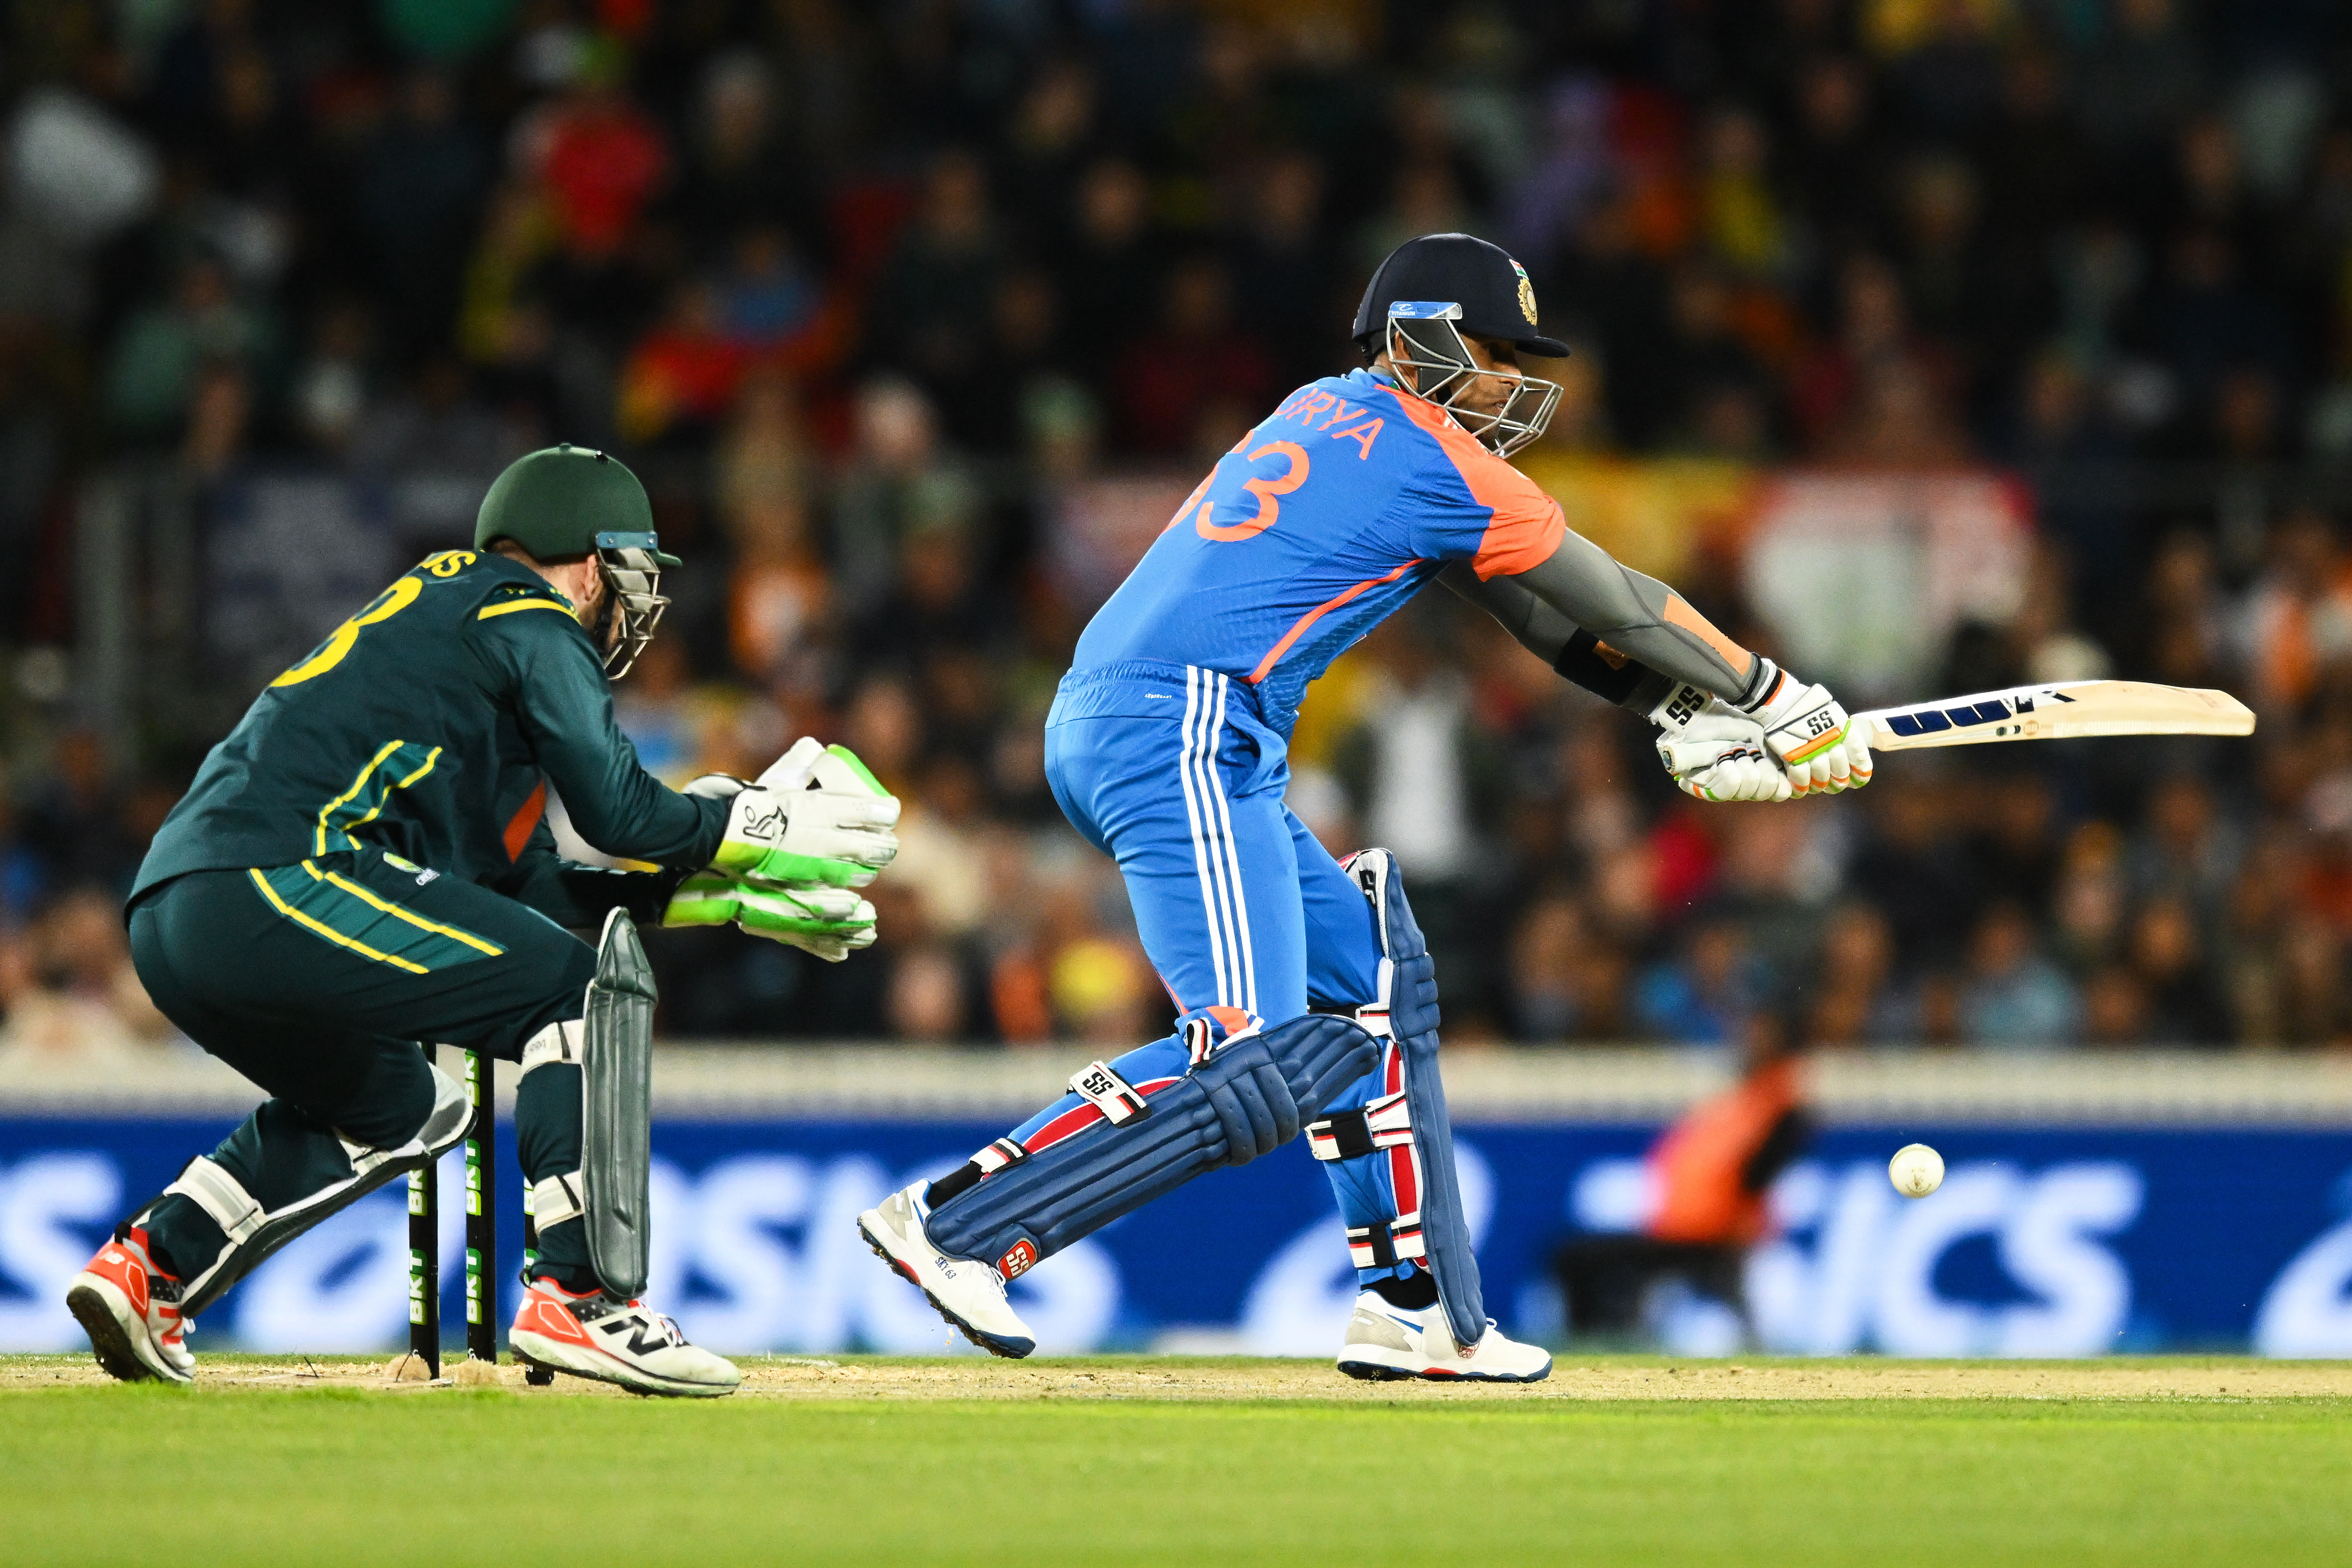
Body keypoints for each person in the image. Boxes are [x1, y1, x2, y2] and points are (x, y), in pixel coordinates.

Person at [860, 233, 1870, 1380]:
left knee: (1373, 990)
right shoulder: (1427, 453)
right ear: (1421, 338)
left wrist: (1676, 707)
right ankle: (958, 1225)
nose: (1513, 385)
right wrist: (1766, 692)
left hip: (1177, 727)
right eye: (1495, 354)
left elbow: (1541, 619)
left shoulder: (1331, 416)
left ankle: (1416, 1308)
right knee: (1245, 1054)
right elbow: (1617, 596)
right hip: (1180, 725)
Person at [66, 445, 900, 1395]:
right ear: (593, 564)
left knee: (404, 1106)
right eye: (629, 577)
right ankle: (579, 1294)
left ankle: (147, 1267)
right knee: (576, 989)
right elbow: (620, 814)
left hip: (181, 906)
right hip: (277, 873)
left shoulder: (447, 635)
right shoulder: (527, 612)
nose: (633, 609)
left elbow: (531, 895)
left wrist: (730, 898)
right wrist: (747, 822)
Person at [1553, 1013, 1813, 1344]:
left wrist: (1739, 1221)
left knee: (1581, 1258)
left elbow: (1760, 1173)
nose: (1751, 1043)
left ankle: (1595, 1340)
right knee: (1576, 1256)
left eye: (1762, 1035)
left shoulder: (1781, 1108)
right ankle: (1596, 1337)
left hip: (1709, 1236)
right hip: (1682, 1230)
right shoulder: (1745, 1102)